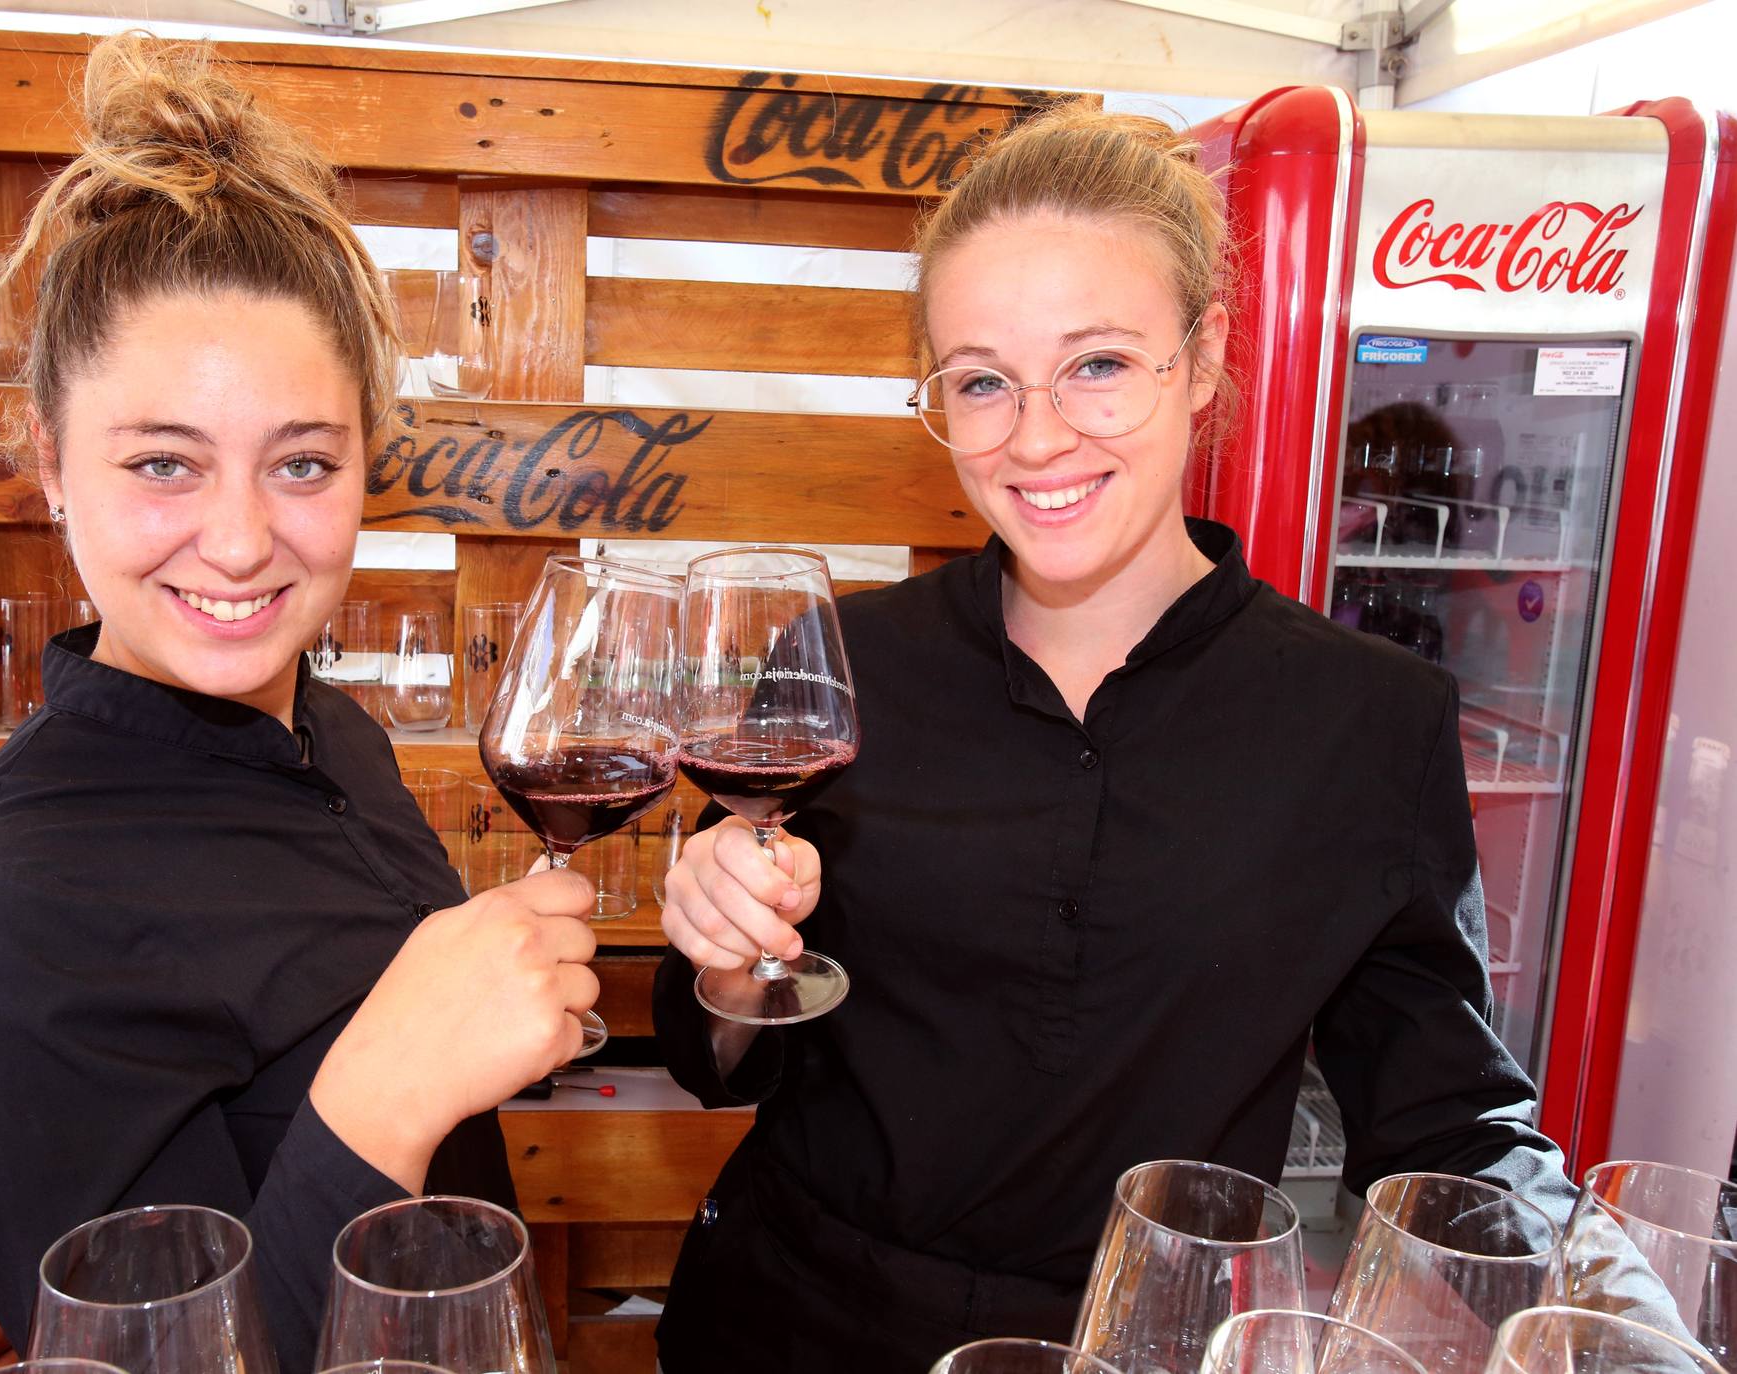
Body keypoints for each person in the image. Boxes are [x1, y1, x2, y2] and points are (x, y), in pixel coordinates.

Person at [651, 105, 1587, 1371]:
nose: (1035, 438)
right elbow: (726, 1066)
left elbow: (1452, 1122)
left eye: (1096, 364)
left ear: (1201, 361)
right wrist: (723, 960)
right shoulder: (845, 661)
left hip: (1140, 1345)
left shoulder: (1366, 718)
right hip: (796, 1319)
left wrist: (1605, 1307)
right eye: (982, 381)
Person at [0, 34, 598, 1372]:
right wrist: (389, 1084)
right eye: (164, 461)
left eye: (302, 463)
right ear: (48, 463)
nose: (240, 540)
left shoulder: (335, 736)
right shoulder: (4, 914)